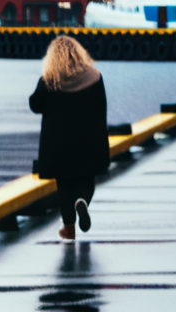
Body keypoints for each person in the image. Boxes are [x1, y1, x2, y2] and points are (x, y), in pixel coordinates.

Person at [29, 36, 109, 241]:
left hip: (59, 145)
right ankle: (82, 201)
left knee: (64, 185)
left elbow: (35, 105)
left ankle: (69, 229)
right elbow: (102, 106)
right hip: (88, 141)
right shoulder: (94, 76)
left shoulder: (50, 79)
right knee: (87, 179)